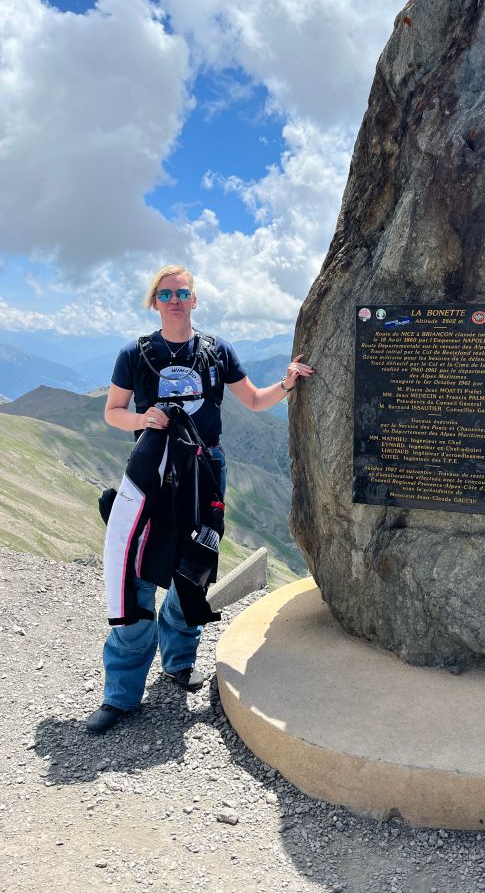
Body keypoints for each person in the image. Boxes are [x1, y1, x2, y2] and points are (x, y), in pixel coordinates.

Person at [86, 264, 313, 734]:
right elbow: (113, 412)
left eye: (182, 292)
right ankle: (121, 696)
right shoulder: (135, 353)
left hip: (206, 471)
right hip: (152, 472)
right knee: (136, 575)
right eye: (166, 293)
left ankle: (178, 663)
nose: (174, 299)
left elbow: (251, 400)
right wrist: (144, 419)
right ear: (155, 302)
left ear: (194, 300)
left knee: (195, 564)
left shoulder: (216, 351)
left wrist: (288, 383)